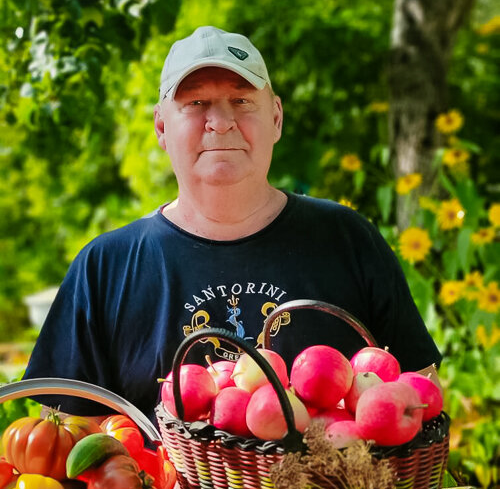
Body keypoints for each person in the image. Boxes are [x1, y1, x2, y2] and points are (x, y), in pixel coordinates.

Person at [24, 25, 441, 425]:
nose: (220, 122)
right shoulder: (105, 268)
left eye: (241, 101)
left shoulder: (348, 238)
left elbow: (421, 405)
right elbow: (70, 443)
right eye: (196, 103)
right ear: (161, 127)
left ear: (276, 118)